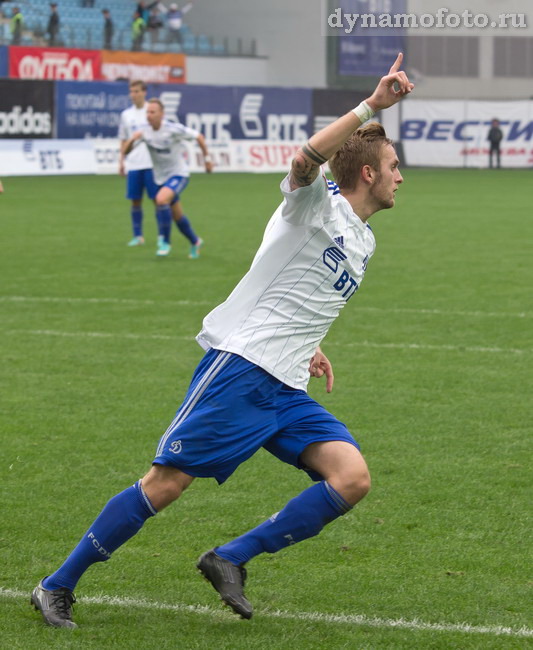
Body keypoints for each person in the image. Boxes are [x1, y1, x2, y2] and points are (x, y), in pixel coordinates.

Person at [30, 53, 414, 629]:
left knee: (352, 477)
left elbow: (300, 293)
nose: (400, 175)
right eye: (393, 165)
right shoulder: (314, 204)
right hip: (241, 369)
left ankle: (229, 558)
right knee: (165, 484)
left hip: (285, 384)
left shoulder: (363, 241)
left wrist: (309, 343)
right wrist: (371, 105)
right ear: (367, 173)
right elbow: (306, 158)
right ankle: (56, 585)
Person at [124, 97, 212, 258]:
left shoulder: (173, 129)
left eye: (153, 112)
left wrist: (206, 160)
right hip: (160, 178)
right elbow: (126, 152)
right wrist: (132, 139)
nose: (149, 115)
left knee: (161, 200)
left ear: (161, 114)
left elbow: (199, 137)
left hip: (179, 174)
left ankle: (164, 241)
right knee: (177, 216)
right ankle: (195, 241)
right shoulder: (143, 131)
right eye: (147, 112)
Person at [118, 80, 158, 248]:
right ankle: (138, 236)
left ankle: (162, 237)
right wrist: (121, 161)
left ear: (144, 92)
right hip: (134, 164)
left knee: (158, 201)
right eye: (131, 91)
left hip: (151, 164)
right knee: (135, 201)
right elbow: (123, 139)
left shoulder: (152, 111)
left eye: (136, 91)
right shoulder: (126, 115)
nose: (133, 95)